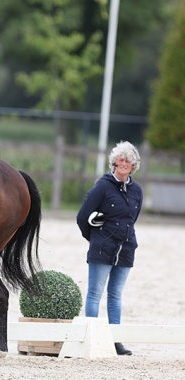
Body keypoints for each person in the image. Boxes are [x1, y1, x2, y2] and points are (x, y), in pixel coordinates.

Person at [76, 141, 143, 356]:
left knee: (115, 295)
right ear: (113, 163)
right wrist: (94, 238)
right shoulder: (102, 186)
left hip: (126, 249)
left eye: (128, 160)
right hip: (102, 248)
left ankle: (115, 340)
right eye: (120, 160)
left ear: (133, 166)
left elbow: (133, 219)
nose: (123, 163)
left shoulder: (137, 191)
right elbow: (82, 216)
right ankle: (91, 339)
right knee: (95, 293)